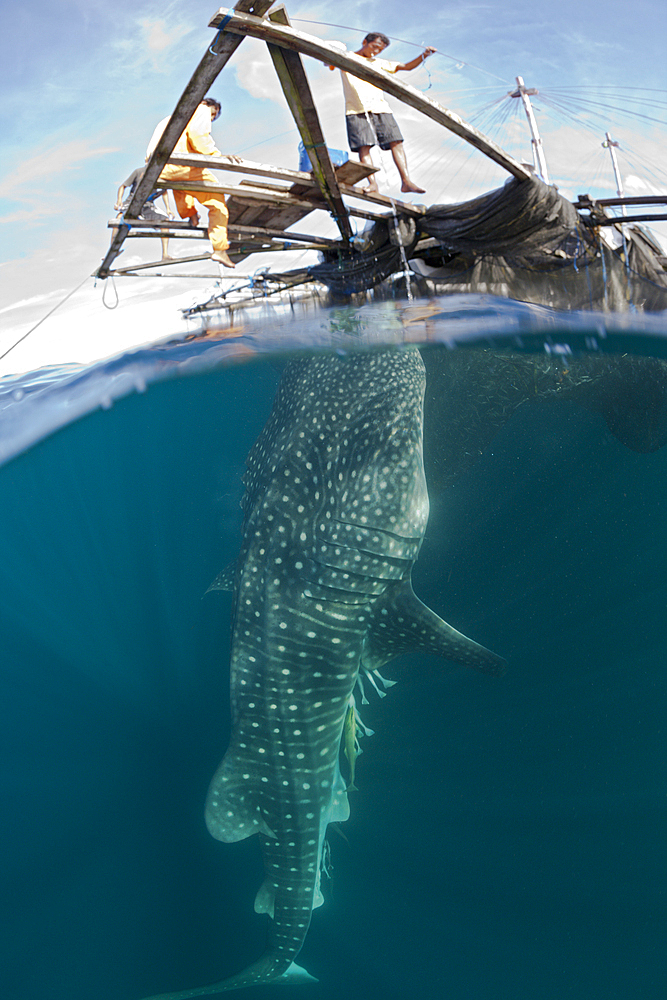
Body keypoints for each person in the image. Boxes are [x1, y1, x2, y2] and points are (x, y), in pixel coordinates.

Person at [331, 32, 435, 194]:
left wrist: (424, 55)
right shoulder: (347, 56)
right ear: (365, 42)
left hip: (381, 108)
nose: (375, 52)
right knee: (363, 146)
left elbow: (406, 67)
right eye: (374, 47)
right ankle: (373, 183)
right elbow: (329, 62)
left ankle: (406, 181)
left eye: (379, 50)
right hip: (355, 109)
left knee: (396, 142)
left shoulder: (379, 63)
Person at [146, 98, 241, 268]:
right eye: (213, 114)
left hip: (161, 169)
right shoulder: (200, 108)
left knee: (181, 186)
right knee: (217, 201)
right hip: (181, 164)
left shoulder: (167, 120)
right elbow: (197, 133)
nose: (211, 119)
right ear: (208, 104)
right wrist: (217, 156)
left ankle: (190, 214)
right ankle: (220, 249)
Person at [114, 167, 173, 260]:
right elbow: (122, 186)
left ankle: (165, 254)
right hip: (132, 203)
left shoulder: (162, 174)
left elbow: (164, 191)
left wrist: (168, 208)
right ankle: (113, 248)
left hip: (147, 206)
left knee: (165, 221)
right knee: (119, 218)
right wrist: (119, 201)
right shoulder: (138, 171)